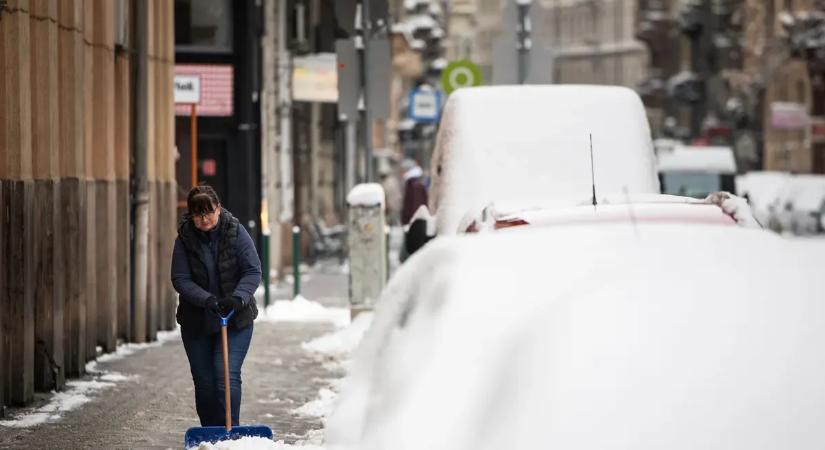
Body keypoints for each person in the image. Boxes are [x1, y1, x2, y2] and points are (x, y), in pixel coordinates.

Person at [171, 185, 262, 427]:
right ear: (190, 215)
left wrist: (237, 298)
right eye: (198, 214)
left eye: (208, 212)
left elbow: (253, 270)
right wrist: (207, 299)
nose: (204, 219)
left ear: (219, 209)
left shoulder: (236, 232)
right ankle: (210, 435)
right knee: (205, 382)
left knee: (226, 376)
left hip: (235, 318)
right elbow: (180, 279)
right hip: (197, 321)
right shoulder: (184, 239)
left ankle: (230, 432)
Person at [400, 158, 428, 225]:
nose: (401, 173)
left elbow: (415, 206)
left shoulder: (414, 185)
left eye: (402, 171)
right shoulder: (413, 183)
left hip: (415, 223)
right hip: (415, 222)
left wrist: (411, 221)